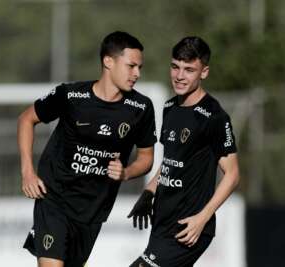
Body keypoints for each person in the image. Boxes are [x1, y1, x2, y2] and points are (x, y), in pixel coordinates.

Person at [17, 31, 157, 267]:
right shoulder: (71, 95)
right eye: (131, 66)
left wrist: (126, 173)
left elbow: (146, 158)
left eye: (139, 67)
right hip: (54, 198)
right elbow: (25, 119)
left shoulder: (141, 107)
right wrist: (28, 173)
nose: (137, 74)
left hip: (93, 211)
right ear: (108, 61)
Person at [128, 36, 240, 267]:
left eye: (189, 70)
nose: (179, 76)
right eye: (175, 67)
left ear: (204, 72)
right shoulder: (170, 108)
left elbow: (232, 174)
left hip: (188, 228)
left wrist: (203, 218)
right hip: (162, 222)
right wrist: (149, 192)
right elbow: (172, 160)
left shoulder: (214, 116)